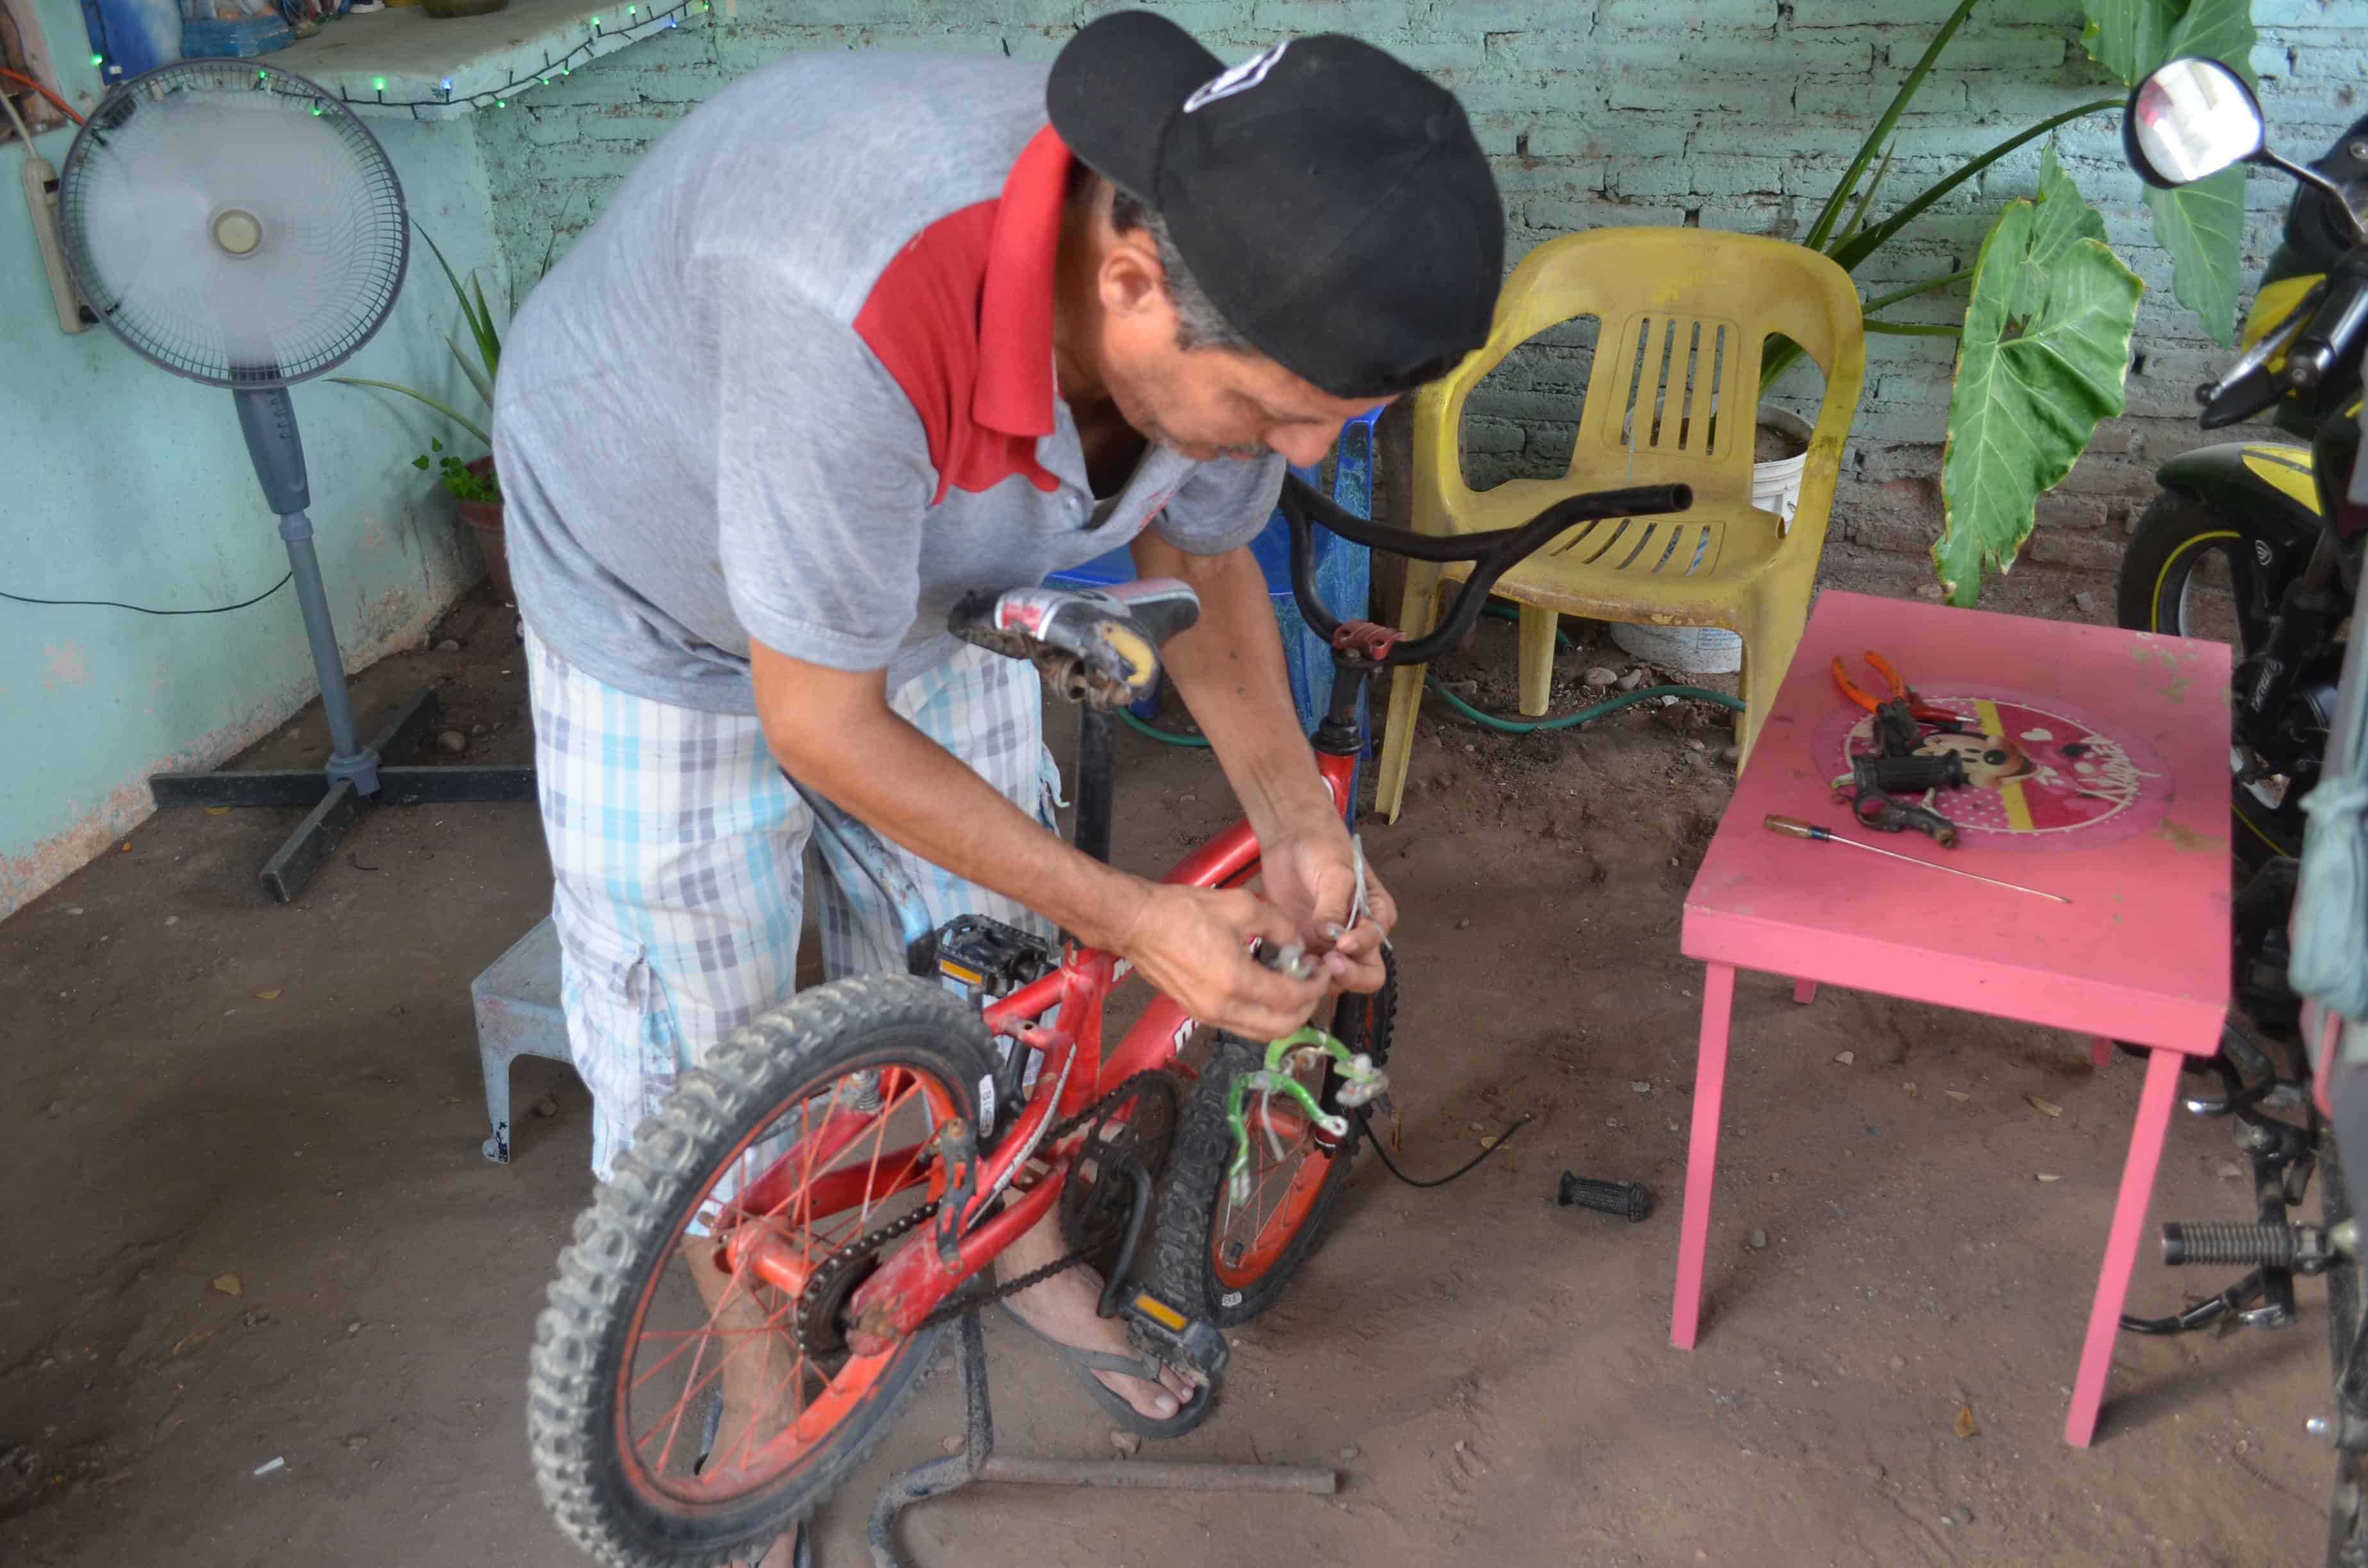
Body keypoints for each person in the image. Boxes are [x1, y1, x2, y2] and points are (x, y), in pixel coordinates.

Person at [493, 12, 1501, 1555]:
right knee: (692, 1018)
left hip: (921, 552)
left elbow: (1207, 540)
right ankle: (760, 1358)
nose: (1306, 448)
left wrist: (1303, 827)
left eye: (1337, 416)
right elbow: (822, 721)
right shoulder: (850, 293)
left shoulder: (1242, 257)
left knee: (1000, 963)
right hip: (654, 585)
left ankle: (1016, 1248)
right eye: (1282, 406)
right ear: (1130, 283)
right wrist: (1144, 918)